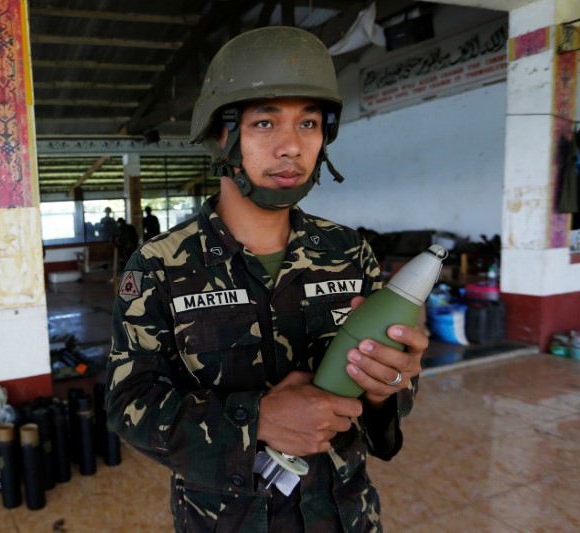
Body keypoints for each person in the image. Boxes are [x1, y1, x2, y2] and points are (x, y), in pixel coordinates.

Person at [106, 26, 428, 532]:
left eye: (309, 124)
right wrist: (254, 421)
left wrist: (390, 383)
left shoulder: (350, 253)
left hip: (345, 518)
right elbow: (129, 405)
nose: (291, 148)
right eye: (263, 123)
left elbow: (387, 404)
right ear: (222, 133)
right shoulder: (158, 266)